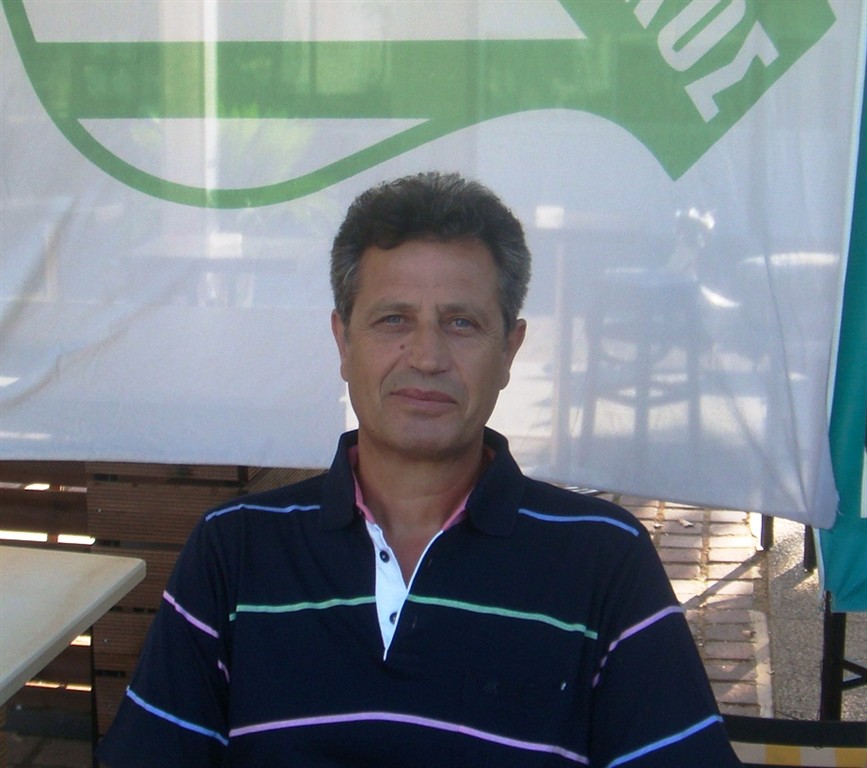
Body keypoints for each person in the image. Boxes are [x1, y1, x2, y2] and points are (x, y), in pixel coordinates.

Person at [97, 172, 742, 767]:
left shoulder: (604, 560)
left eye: (461, 322)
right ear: (343, 342)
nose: (427, 356)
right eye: (393, 320)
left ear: (509, 350)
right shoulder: (234, 549)